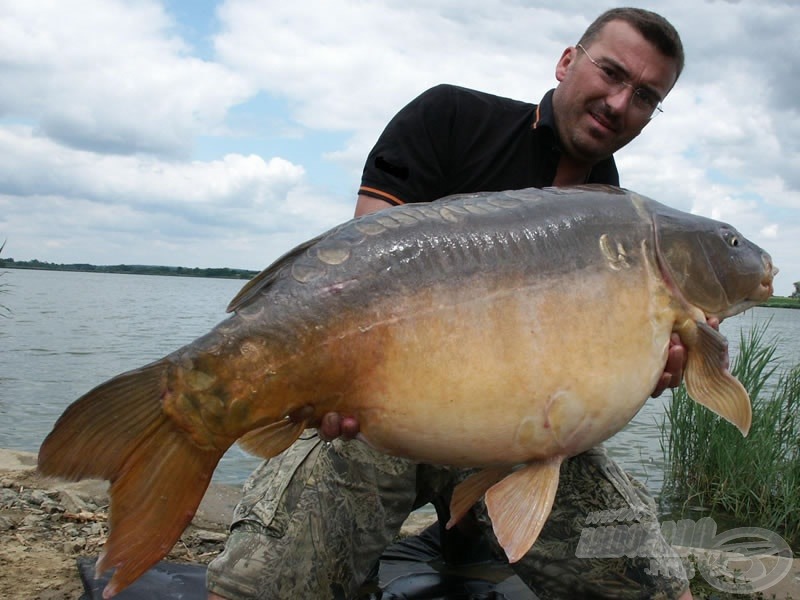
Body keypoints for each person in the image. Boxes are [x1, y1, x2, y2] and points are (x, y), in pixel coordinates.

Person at [208, 7, 696, 599]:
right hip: (376, 423)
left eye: (645, 96)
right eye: (611, 73)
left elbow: (585, 377)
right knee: (257, 589)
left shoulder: (623, 222)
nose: (620, 103)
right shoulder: (452, 117)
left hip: (519, 448)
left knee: (654, 589)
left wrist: (646, 368)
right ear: (568, 61)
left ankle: (464, 537)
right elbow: (360, 266)